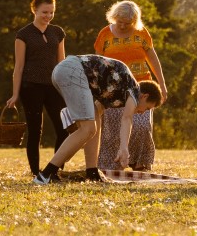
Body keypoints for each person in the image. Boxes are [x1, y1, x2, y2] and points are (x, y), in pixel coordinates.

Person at [33, 54, 163, 184]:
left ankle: (92, 172)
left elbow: (97, 112)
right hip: (73, 71)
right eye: (147, 108)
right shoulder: (134, 89)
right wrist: (124, 148)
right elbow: (127, 118)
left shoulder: (120, 89)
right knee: (88, 129)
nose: (142, 112)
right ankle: (46, 175)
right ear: (144, 96)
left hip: (63, 70)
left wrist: (77, 142)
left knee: (92, 125)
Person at [93, 0, 168, 172]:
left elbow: (152, 58)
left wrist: (162, 84)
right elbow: (98, 63)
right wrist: (98, 91)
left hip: (141, 87)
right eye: (120, 22)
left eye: (127, 23)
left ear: (134, 21)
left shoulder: (141, 33)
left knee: (142, 127)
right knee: (113, 130)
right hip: (113, 90)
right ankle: (110, 166)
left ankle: (140, 163)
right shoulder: (105, 34)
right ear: (114, 17)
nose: (123, 26)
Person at [6, 0, 68, 178]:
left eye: (51, 12)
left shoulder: (57, 32)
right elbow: (18, 67)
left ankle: (54, 170)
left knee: (64, 129)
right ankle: (36, 172)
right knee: (35, 131)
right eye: (44, 12)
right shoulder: (23, 34)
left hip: (53, 86)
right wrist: (15, 94)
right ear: (34, 10)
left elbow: (62, 63)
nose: (48, 16)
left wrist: (66, 89)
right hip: (30, 87)